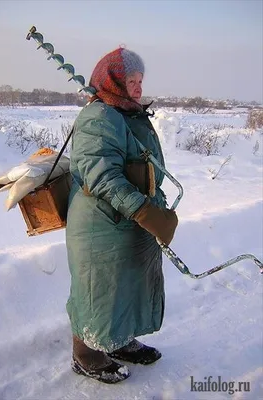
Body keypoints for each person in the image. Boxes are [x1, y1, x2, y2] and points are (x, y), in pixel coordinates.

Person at [66, 47, 178, 384]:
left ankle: (118, 341)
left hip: (128, 221)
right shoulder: (98, 117)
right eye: (132, 80)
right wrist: (145, 211)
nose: (139, 86)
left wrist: (152, 208)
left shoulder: (126, 113)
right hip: (101, 224)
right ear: (114, 80)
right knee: (98, 290)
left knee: (126, 286)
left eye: (141, 80)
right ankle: (85, 354)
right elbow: (101, 175)